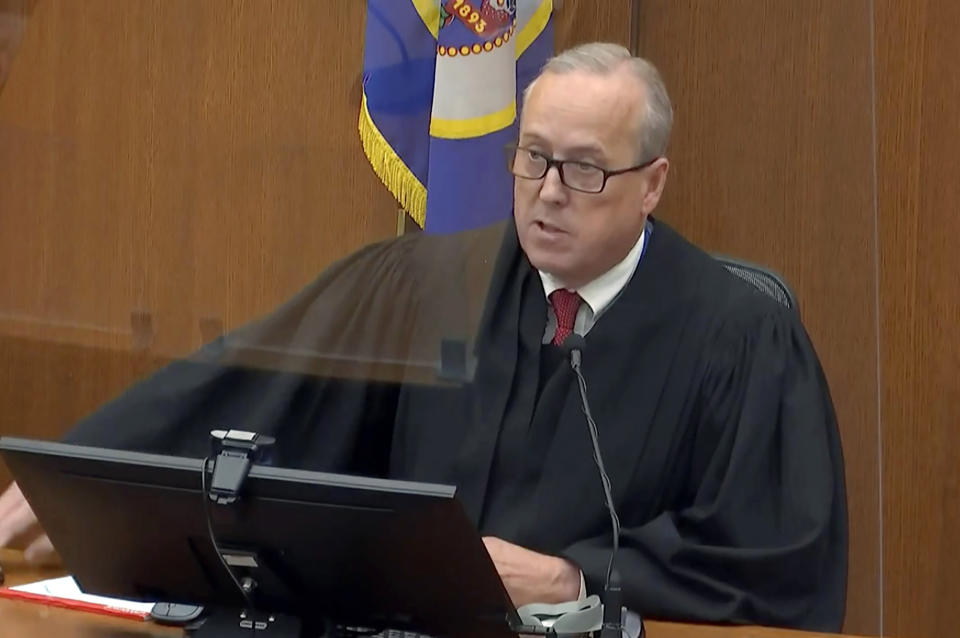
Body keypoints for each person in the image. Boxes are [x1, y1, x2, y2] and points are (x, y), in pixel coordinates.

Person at [0, 43, 847, 631]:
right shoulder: (424, 288)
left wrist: (578, 579)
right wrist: (87, 478)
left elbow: (771, 566)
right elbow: (262, 384)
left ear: (652, 183)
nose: (548, 193)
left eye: (584, 169)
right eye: (532, 158)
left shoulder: (742, 338)